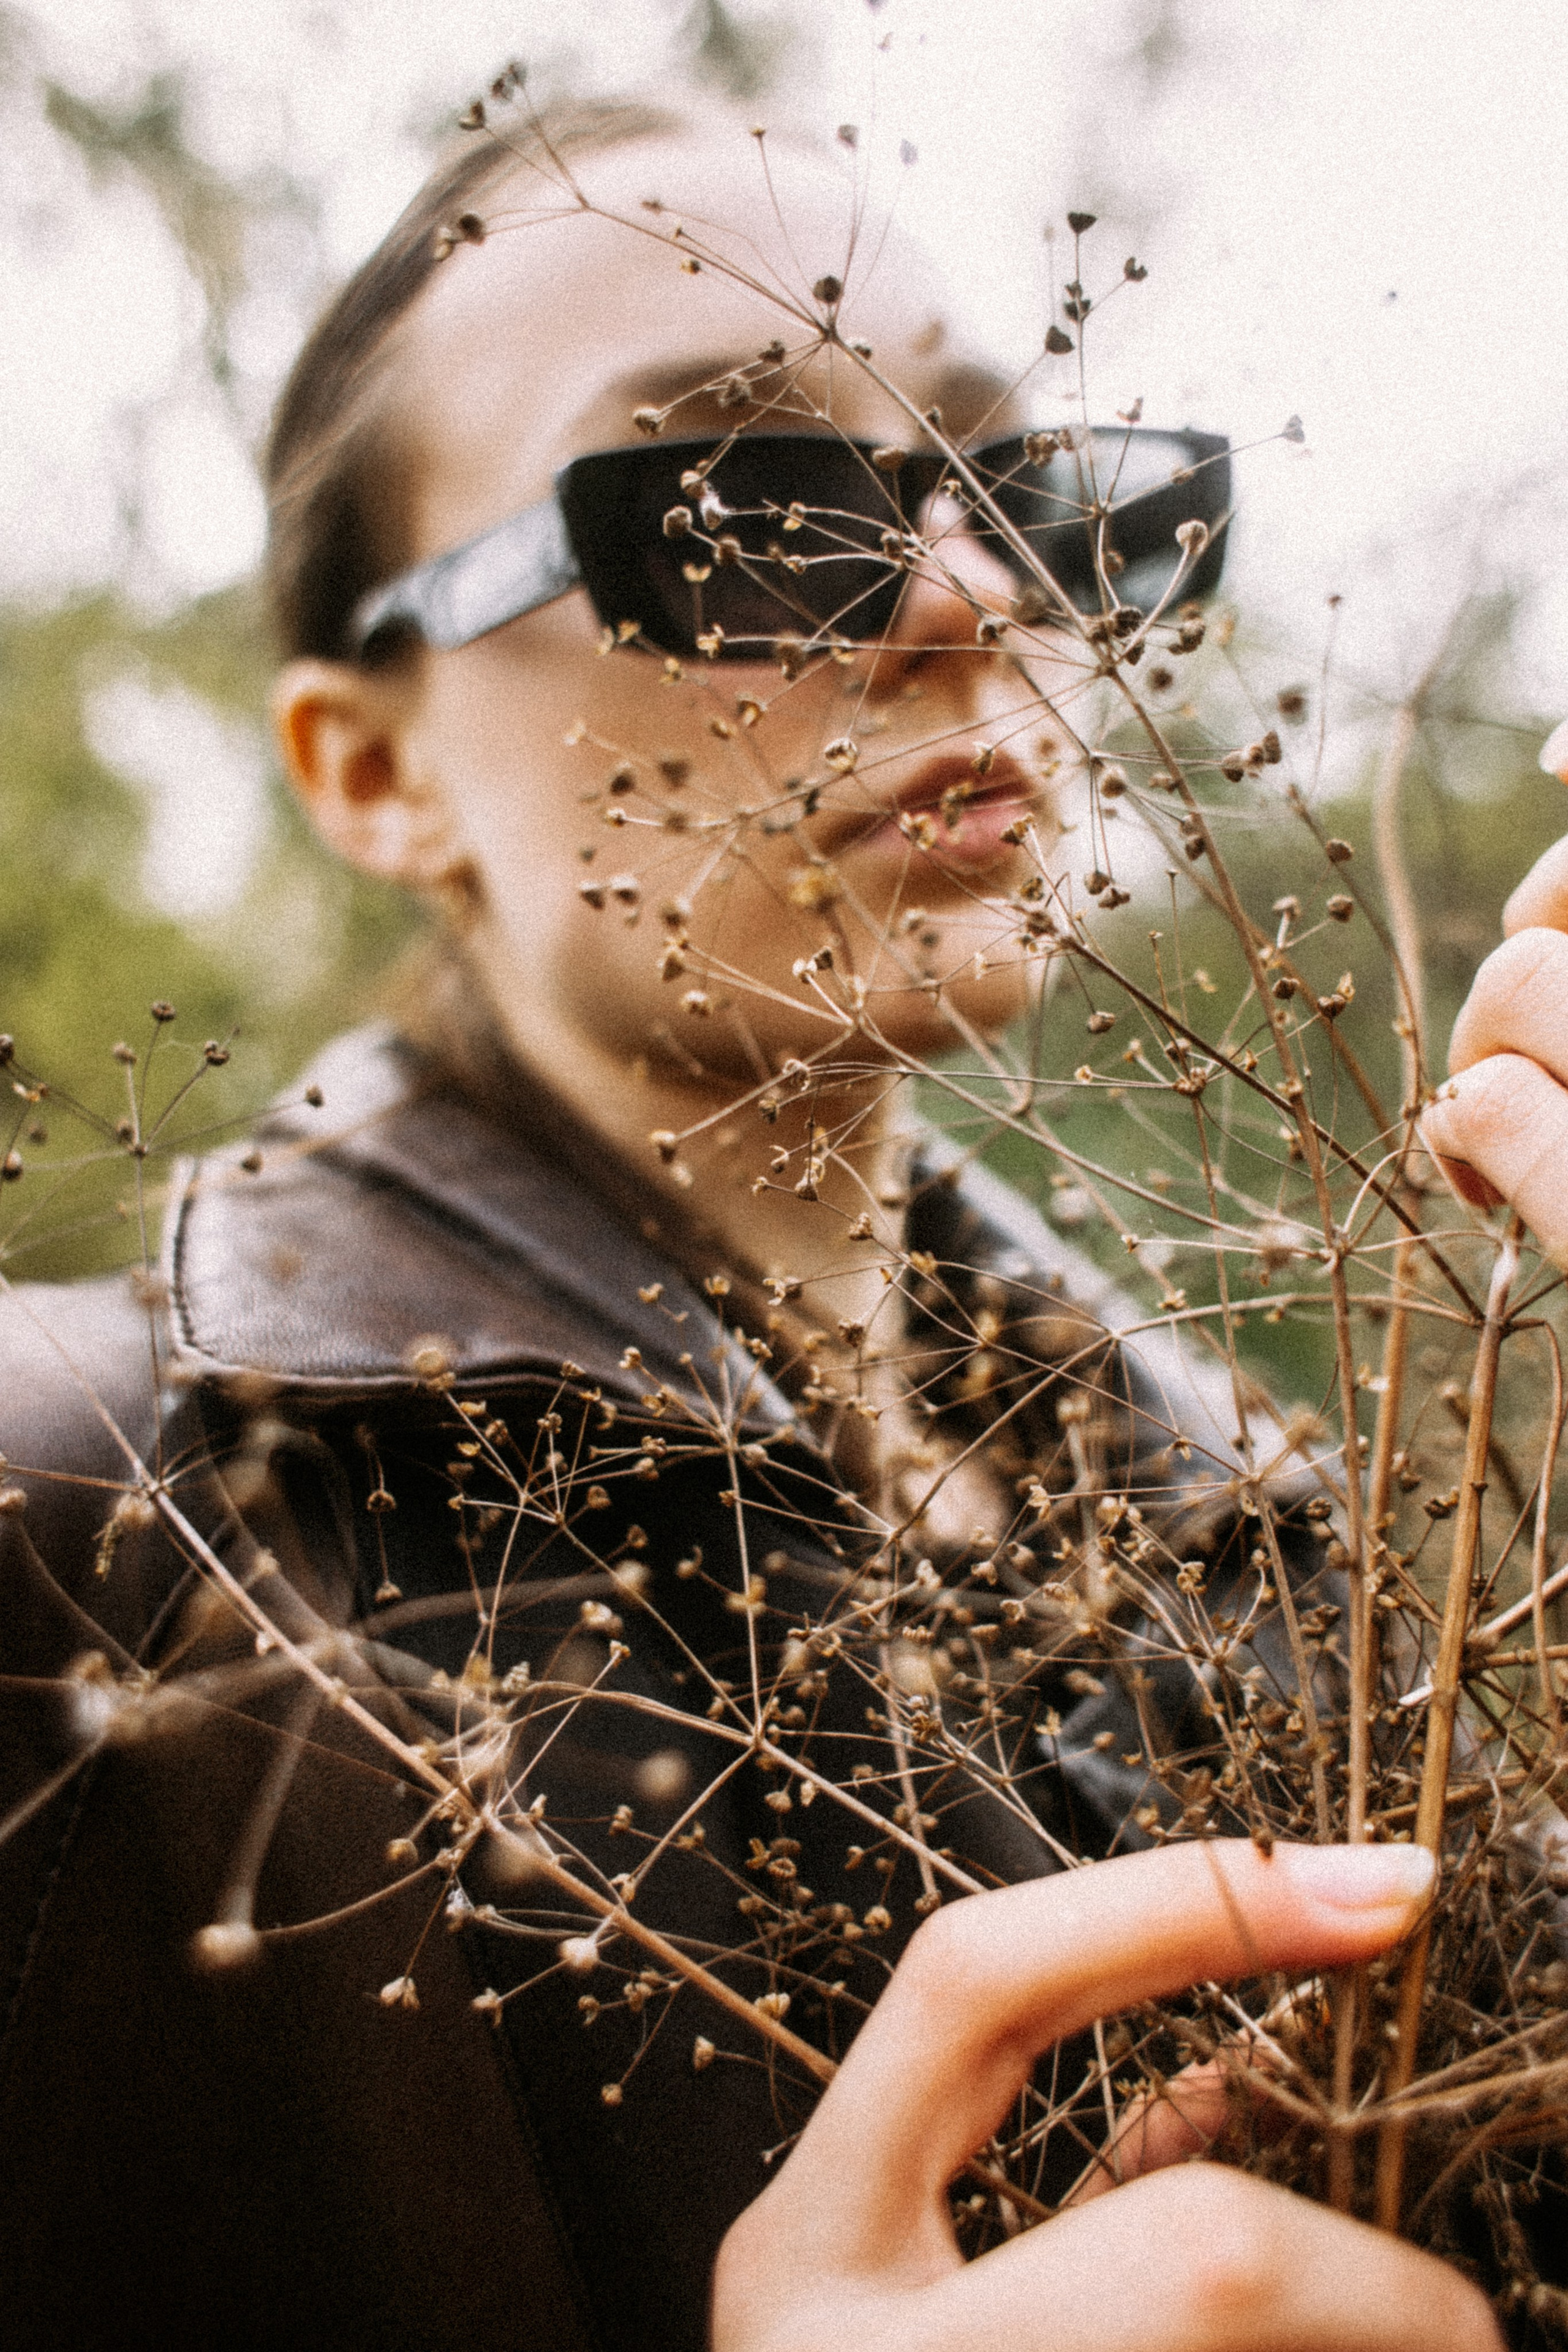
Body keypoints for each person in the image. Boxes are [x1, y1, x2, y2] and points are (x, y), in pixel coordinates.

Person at [0, 94, 1517, 2352]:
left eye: (1011, 486)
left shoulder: (1294, 1544)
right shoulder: (81, 1541)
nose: (966, 601)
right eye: (733, 507)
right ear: (372, 768)